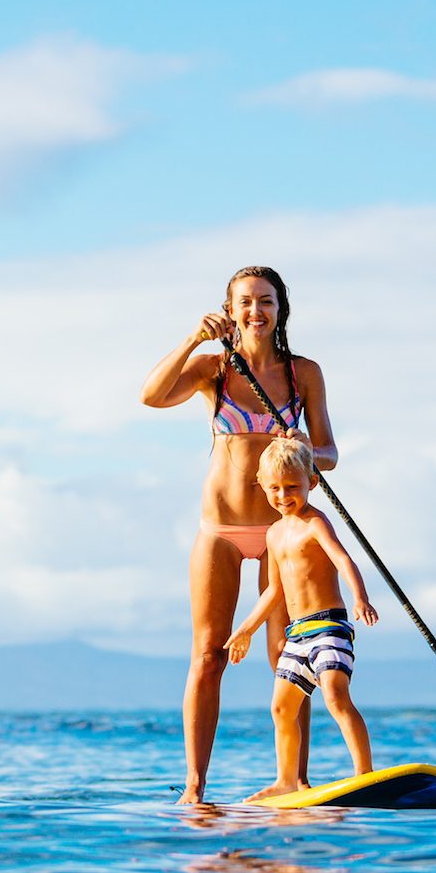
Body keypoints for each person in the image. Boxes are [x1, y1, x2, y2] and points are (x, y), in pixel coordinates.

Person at [140, 266, 337, 804]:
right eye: (245, 302)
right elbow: (151, 397)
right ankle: (195, 788)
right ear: (230, 310)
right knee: (209, 654)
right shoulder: (214, 368)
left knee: (290, 654)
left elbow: (330, 454)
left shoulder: (304, 374)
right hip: (222, 530)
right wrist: (191, 339)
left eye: (266, 301)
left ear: (281, 309)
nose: (256, 311)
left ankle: (293, 780)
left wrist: (305, 450)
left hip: (284, 532)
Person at [224, 437, 378, 800]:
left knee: (336, 696)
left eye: (292, 486)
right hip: (297, 635)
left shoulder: (315, 523)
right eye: (274, 488)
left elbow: (343, 559)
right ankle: (286, 779)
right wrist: (245, 629)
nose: (283, 495)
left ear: (313, 482)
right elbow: (273, 591)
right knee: (281, 707)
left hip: (329, 626)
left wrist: (360, 597)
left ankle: (364, 774)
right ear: (261, 485)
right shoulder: (274, 533)